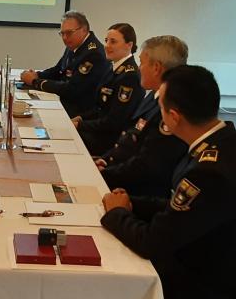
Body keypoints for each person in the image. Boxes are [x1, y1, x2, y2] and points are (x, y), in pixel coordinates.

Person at [100, 65, 236, 299]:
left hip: (202, 291)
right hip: (206, 259)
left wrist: (117, 213)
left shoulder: (212, 170)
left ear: (173, 117)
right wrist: (132, 203)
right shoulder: (226, 143)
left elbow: (151, 243)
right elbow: (180, 209)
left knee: (103, 267)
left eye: (160, 108)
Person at [97, 35, 188, 198]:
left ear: (156, 68)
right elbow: (129, 137)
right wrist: (105, 160)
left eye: (142, 62)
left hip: (137, 192)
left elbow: (146, 165)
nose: (139, 68)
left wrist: (103, 174)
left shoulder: (170, 108)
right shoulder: (154, 95)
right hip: (120, 172)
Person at [71, 23, 143, 156]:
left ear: (129, 45)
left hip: (107, 140)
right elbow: (100, 108)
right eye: (106, 41)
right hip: (98, 130)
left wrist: (80, 125)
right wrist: (80, 118)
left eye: (113, 42)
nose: (107, 45)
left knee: (65, 138)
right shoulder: (113, 67)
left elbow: (114, 122)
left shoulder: (130, 76)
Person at [19, 11, 107, 117]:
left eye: (69, 33)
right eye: (62, 33)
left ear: (84, 30)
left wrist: (35, 81)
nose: (64, 37)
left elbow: (72, 90)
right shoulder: (75, 45)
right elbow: (58, 70)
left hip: (79, 113)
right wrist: (37, 75)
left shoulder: (93, 54)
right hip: (66, 103)